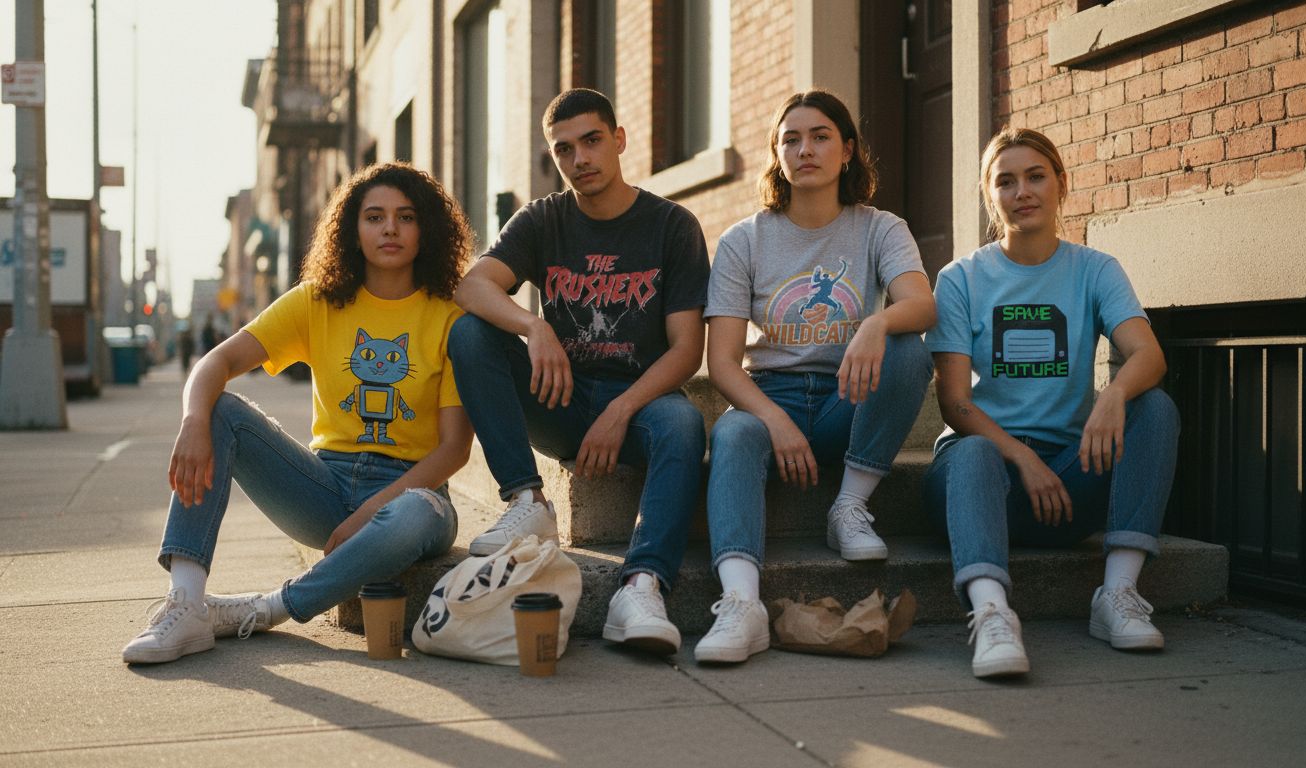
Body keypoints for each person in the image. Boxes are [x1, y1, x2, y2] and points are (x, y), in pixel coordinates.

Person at [122, 162, 475, 664]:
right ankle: (186, 604)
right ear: (353, 230)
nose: (390, 228)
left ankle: (270, 607)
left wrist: (373, 513)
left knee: (415, 511)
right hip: (325, 487)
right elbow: (217, 362)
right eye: (374, 217)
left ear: (427, 230)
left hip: (414, 494)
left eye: (406, 216)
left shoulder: (450, 318)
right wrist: (194, 422)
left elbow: (454, 449)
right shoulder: (318, 302)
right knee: (220, 408)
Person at [448, 89, 709, 656]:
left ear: (619, 140)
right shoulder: (543, 220)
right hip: (559, 398)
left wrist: (621, 409)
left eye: (592, 141)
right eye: (564, 149)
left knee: (685, 427)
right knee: (469, 333)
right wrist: (534, 327)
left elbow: (688, 351)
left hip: (641, 403)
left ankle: (641, 587)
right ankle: (526, 502)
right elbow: (471, 285)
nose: (580, 159)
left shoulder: (672, 225)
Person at [922, 127, 1180, 679]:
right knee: (972, 453)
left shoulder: (1095, 269)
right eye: (1006, 181)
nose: (1023, 192)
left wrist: (1113, 394)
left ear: (1061, 184)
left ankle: (1117, 595)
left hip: (1066, 481)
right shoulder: (961, 278)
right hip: (979, 477)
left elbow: (1148, 356)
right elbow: (954, 405)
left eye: (1036, 176)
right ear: (990, 196)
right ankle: (991, 614)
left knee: (1154, 408)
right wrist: (1022, 456)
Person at [696, 90, 936, 664]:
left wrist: (875, 324)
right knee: (731, 435)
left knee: (907, 348)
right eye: (791, 139)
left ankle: (849, 507)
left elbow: (923, 305)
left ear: (848, 150)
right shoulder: (744, 240)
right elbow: (723, 362)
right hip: (769, 400)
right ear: (777, 155)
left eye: (821, 136)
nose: (806, 149)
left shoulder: (880, 228)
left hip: (847, 401)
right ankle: (741, 604)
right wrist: (773, 420)